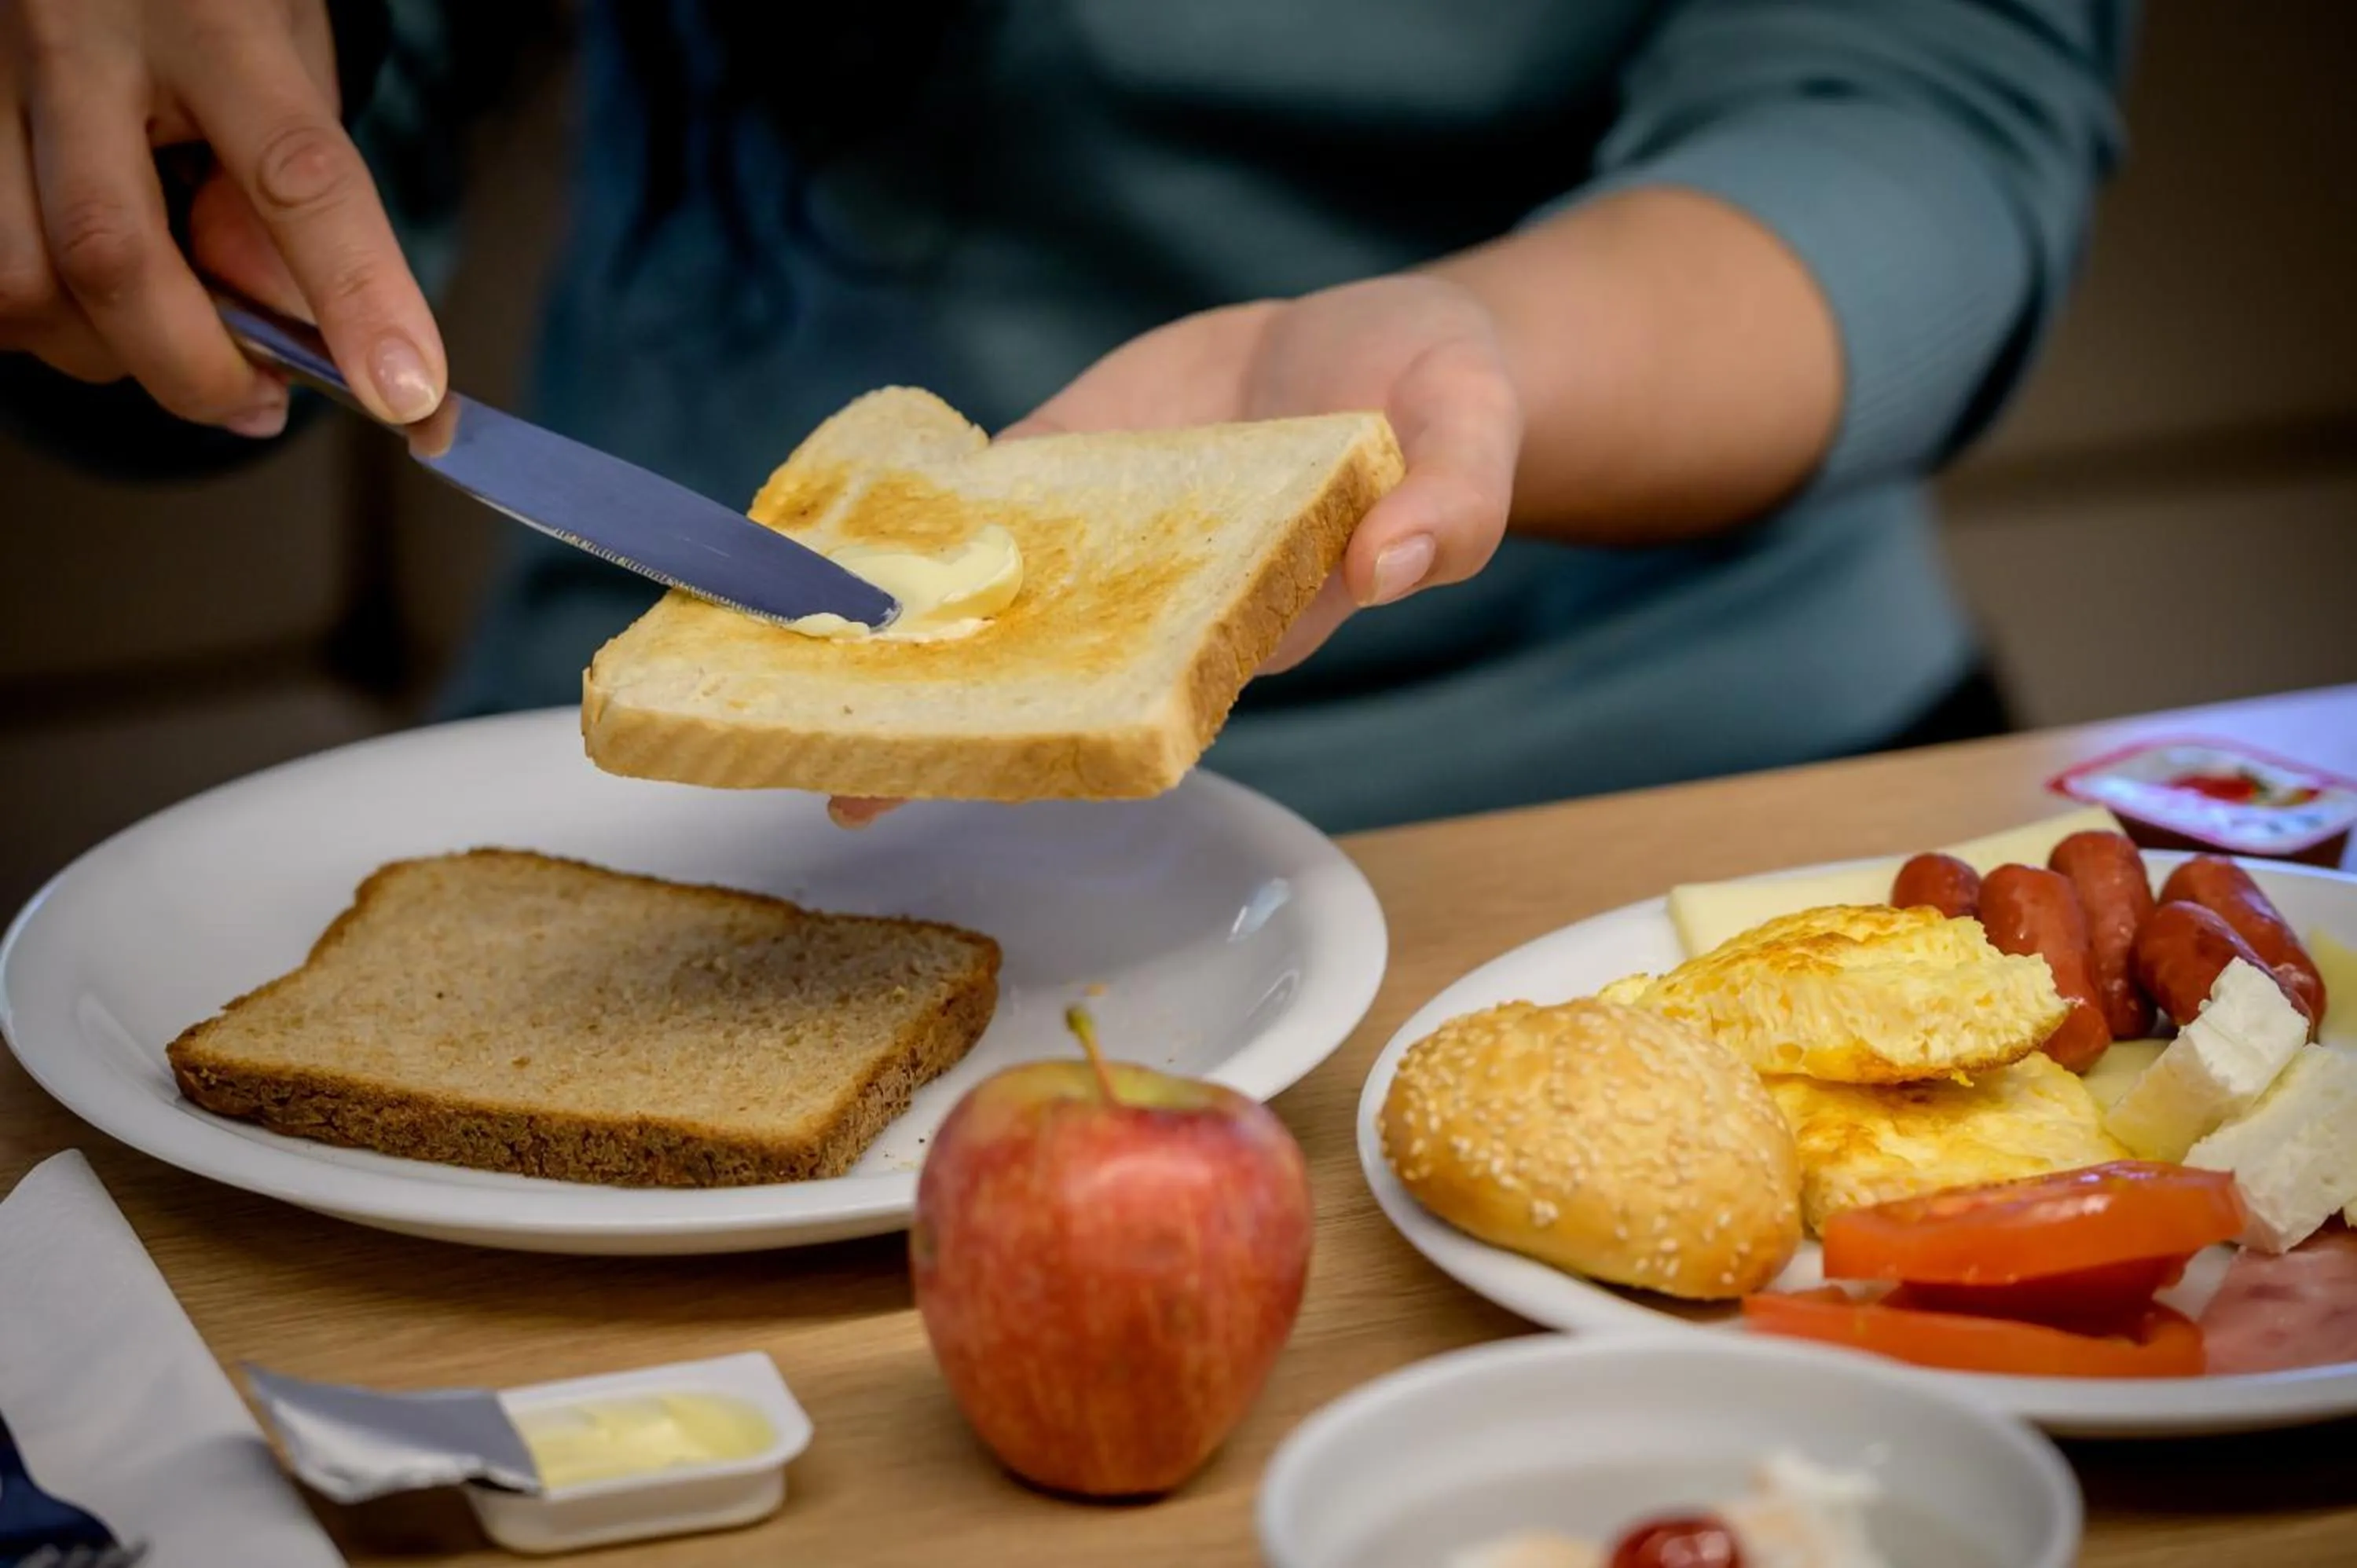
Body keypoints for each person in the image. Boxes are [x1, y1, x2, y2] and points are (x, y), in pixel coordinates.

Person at [0, 2, 2134, 835]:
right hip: (680, 813)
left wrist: (1468, 354)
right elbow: (300, 136)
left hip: (1652, 796)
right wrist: (128, 201)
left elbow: (1926, 110)